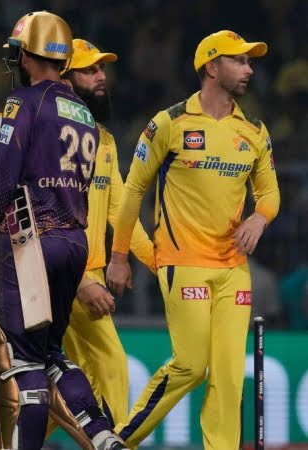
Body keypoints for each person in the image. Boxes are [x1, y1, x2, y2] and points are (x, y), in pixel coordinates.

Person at [0, 11, 127, 450]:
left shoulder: (24, 101)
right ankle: (102, 436)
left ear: (25, 55)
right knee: (52, 355)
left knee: (21, 362)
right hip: (73, 244)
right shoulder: (84, 113)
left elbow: (2, 178)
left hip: (29, 241)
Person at [106, 30, 280, 449]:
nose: (249, 69)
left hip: (233, 269)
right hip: (183, 263)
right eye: (239, 61)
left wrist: (260, 216)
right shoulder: (169, 123)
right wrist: (119, 256)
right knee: (191, 364)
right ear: (212, 67)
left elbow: (270, 193)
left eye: (250, 62)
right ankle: (117, 441)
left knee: (228, 377)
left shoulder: (254, 131)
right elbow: (133, 190)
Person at [61, 39, 156, 428]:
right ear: (65, 81)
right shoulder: (53, 135)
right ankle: (117, 442)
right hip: (62, 272)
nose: (101, 77)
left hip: (91, 272)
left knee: (66, 398)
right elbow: (42, 216)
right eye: (89, 70)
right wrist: (81, 279)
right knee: (113, 364)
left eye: (101, 69)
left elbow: (120, 211)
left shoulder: (105, 140)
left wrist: (159, 263)